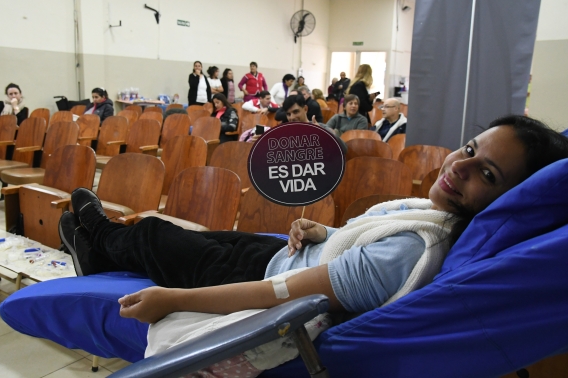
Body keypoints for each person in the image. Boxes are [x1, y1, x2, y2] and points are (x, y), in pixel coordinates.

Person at [58, 114, 568, 328]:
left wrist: (174, 300)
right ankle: (98, 251)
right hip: (283, 254)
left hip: (265, 279)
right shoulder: (433, 216)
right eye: (471, 148)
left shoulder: (413, 249)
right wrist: (323, 233)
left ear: (507, 199)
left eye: (487, 173)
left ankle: (97, 234)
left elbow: (282, 297)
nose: (459, 165)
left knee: (152, 235)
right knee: (186, 234)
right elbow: (351, 248)